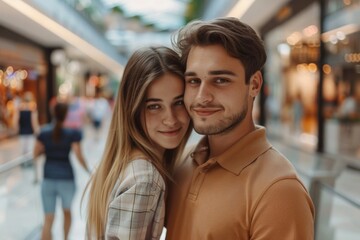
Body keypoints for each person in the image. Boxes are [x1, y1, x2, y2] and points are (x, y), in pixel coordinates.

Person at [165, 17, 315, 239]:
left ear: (254, 84)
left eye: (221, 80)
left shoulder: (279, 190)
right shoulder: (183, 162)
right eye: (194, 81)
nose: (202, 97)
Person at [85, 46, 192, 239]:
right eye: (154, 106)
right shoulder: (146, 179)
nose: (171, 119)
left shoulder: (119, 164)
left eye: (179, 102)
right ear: (132, 110)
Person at [33, 102, 90, 240]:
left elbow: (35, 154)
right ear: (66, 115)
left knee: (48, 219)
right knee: (67, 212)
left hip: (48, 179)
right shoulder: (72, 133)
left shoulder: (44, 132)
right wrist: (88, 170)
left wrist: (47, 150)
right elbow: (78, 154)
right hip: (67, 179)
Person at [13, 91, 39, 158]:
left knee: (23, 150)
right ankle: (28, 164)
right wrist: (37, 131)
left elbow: (15, 121)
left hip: (22, 132)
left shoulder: (19, 109)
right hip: (30, 132)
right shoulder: (33, 109)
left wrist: (16, 130)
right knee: (30, 150)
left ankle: (23, 163)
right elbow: (34, 122)